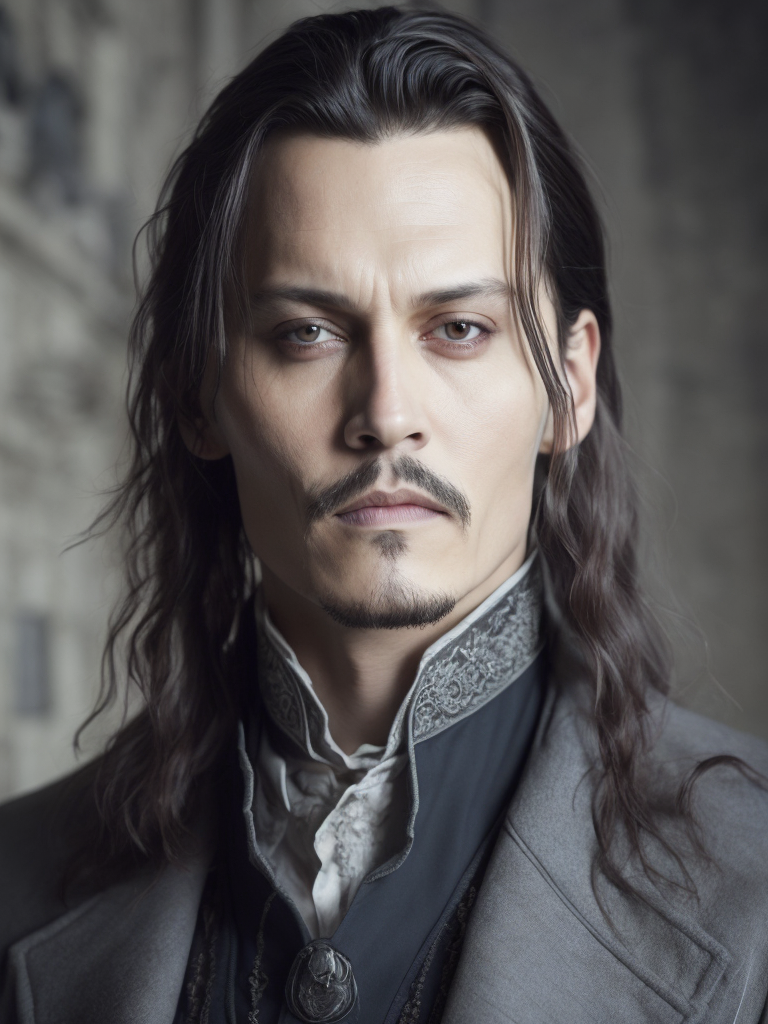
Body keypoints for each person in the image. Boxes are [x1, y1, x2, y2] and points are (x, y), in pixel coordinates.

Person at [1, 7, 767, 1023]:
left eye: (458, 328)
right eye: (308, 332)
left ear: (569, 386)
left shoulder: (751, 888)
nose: (387, 415)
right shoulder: (16, 883)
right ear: (198, 396)